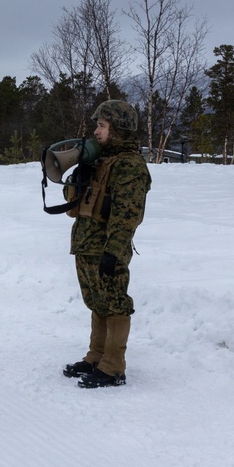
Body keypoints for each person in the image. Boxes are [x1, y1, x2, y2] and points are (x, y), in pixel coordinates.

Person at [63, 100, 151, 388]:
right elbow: (73, 203)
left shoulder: (129, 165)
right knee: (97, 303)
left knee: (114, 304)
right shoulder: (100, 161)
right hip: (86, 244)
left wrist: (113, 252)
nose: (95, 131)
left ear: (117, 129)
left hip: (106, 247)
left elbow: (127, 214)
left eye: (101, 126)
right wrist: (77, 178)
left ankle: (113, 367)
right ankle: (95, 357)